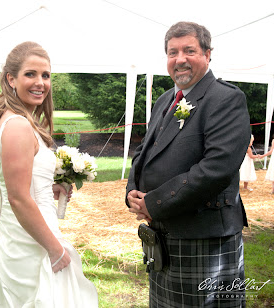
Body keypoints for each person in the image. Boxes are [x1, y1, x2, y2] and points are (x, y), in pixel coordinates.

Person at [126, 21, 251, 307]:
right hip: (162, 234)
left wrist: (154, 203)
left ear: (208, 54)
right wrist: (132, 192)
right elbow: (143, 152)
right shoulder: (165, 100)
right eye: (172, 52)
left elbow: (215, 170)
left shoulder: (227, 99)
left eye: (189, 51)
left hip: (204, 238)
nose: (179, 59)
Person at [0, 41, 98, 307]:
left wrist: (42, 187)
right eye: (30, 74)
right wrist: (55, 250)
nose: (40, 82)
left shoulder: (8, 118)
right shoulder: (18, 126)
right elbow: (17, 198)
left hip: (15, 230)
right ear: (11, 79)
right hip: (26, 242)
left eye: (46, 75)